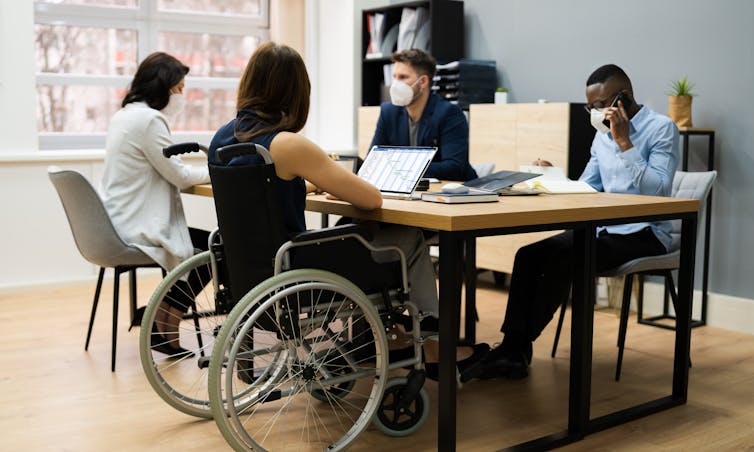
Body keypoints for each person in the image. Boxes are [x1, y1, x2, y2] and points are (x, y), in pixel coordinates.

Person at [208, 41, 488, 381]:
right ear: (296, 92)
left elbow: (263, 196)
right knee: (409, 238)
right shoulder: (288, 144)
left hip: (256, 269)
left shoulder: (221, 140)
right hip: (296, 267)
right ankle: (430, 345)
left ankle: (381, 338)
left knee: (360, 231)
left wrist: (305, 183)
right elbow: (371, 199)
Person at [462, 64, 680, 381]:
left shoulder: (661, 128)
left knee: (566, 258)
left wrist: (624, 143)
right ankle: (514, 348)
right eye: (590, 107)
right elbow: (587, 186)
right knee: (529, 254)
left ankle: (514, 350)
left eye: (599, 105)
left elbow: (658, 192)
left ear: (624, 98)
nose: (594, 112)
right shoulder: (602, 137)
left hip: (645, 232)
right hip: (603, 229)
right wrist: (554, 175)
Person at [100, 52, 211, 356]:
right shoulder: (149, 120)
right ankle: (165, 322)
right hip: (138, 226)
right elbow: (178, 175)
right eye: (179, 89)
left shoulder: (125, 115)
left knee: (207, 245)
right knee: (216, 248)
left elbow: (167, 167)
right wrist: (218, 171)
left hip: (119, 222)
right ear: (162, 88)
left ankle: (157, 315)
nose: (182, 96)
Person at [370, 49, 477, 182]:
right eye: (394, 77)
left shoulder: (449, 114)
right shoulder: (388, 112)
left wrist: (403, 168)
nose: (395, 84)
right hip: (407, 189)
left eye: (403, 77)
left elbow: (455, 168)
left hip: (451, 193)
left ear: (423, 82)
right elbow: (373, 160)